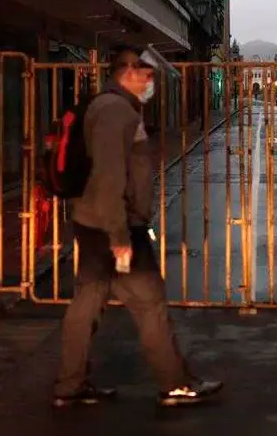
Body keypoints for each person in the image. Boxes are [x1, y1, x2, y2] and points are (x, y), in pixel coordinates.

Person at [53, 46, 222, 408]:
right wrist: (120, 237)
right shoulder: (116, 111)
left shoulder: (110, 106)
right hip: (116, 227)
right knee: (149, 303)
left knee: (87, 302)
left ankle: (70, 384)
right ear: (127, 72)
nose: (150, 82)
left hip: (95, 222)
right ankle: (175, 383)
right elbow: (109, 176)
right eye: (146, 75)